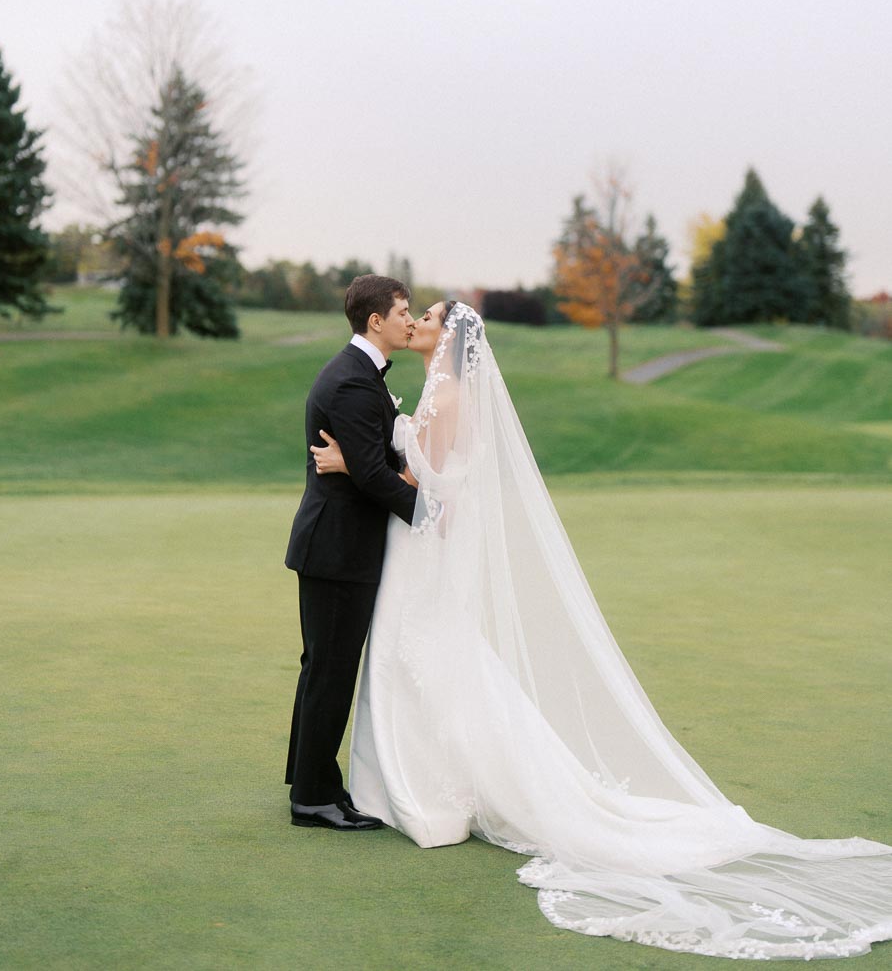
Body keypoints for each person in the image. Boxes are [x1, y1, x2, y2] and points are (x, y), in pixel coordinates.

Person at [311, 300, 892, 958]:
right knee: (425, 662)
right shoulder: (437, 391)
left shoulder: (447, 401)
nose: (415, 319)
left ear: (447, 339)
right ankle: (414, 780)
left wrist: (351, 468)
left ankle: (429, 791)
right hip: (415, 550)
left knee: (418, 657)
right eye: (412, 313)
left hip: (424, 550)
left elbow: (429, 492)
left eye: (429, 316)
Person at [283, 274, 417, 831]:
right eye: (404, 311)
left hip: (337, 547)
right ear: (376, 321)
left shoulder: (360, 375)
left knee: (324, 668)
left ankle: (314, 782)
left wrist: (362, 465)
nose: (410, 320)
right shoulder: (354, 383)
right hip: (339, 551)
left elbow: (366, 462)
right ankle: (313, 796)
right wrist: (430, 513)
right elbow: (371, 473)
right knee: (331, 671)